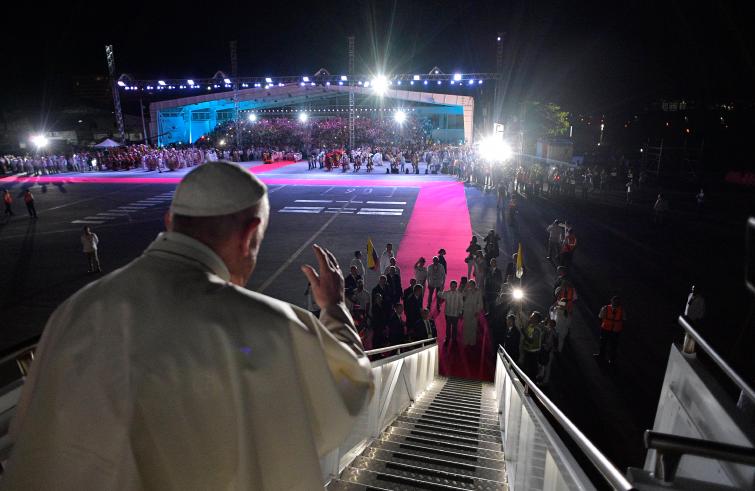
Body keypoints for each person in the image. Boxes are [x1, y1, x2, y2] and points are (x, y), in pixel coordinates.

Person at [2, 161, 374, 490]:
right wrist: (335, 309)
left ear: (169, 222)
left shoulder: (73, 312)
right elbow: (350, 385)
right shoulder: (267, 325)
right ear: (249, 236)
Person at [595, 296, 626, 365]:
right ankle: (604, 356)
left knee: (612, 345)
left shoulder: (620, 310)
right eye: (615, 301)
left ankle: (610, 359)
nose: (615, 303)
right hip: (607, 329)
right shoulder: (606, 308)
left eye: (616, 301)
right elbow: (624, 319)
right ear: (611, 301)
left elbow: (600, 316)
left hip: (614, 330)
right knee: (605, 344)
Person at [520, 311, 544, 379]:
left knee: (531, 373)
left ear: (536, 319)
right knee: (525, 370)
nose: (530, 317)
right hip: (527, 351)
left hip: (533, 354)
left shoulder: (537, 329)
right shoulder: (530, 326)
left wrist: (523, 332)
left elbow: (531, 341)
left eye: (532, 316)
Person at [439, 280, 463, 346]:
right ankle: (447, 338)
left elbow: (461, 304)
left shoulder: (459, 294)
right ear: (450, 286)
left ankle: (454, 339)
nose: (453, 287)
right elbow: (440, 295)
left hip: (456, 314)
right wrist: (440, 290)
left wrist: (460, 312)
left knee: (455, 327)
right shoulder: (446, 293)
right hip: (448, 313)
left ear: (456, 286)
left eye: (454, 286)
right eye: (452, 286)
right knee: (448, 327)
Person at [462, 280, 483, 347]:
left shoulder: (478, 292)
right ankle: (466, 341)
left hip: (474, 312)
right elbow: (462, 295)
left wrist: (477, 311)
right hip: (467, 311)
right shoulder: (467, 291)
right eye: (469, 284)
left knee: (473, 327)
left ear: (474, 285)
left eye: (471, 284)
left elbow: (480, 303)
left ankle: (472, 342)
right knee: (466, 326)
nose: (470, 286)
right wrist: (465, 288)